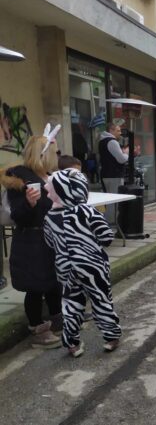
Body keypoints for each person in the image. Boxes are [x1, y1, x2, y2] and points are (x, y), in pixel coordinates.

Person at [44, 169, 122, 356]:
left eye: (50, 189)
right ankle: (111, 338)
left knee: (71, 304)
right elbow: (106, 237)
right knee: (101, 299)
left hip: (65, 267)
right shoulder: (87, 211)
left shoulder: (49, 217)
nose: (46, 191)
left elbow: (49, 242)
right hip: (91, 265)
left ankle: (72, 344)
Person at [0, 134, 62, 348]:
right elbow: (17, 216)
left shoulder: (49, 176)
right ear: (43, 155)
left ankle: (58, 318)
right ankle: (37, 328)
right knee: (35, 286)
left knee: (54, 282)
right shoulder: (20, 179)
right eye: (54, 152)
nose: (57, 156)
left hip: (51, 237)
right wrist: (29, 203)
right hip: (31, 240)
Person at [99, 123, 128, 223]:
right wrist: (126, 153)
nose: (120, 133)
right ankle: (112, 221)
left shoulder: (102, 141)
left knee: (109, 199)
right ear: (111, 130)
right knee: (114, 200)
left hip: (106, 174)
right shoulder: (112, 141)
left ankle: (110, 220)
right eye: (118, 131)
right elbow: (121, 159)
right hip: (114, 175)